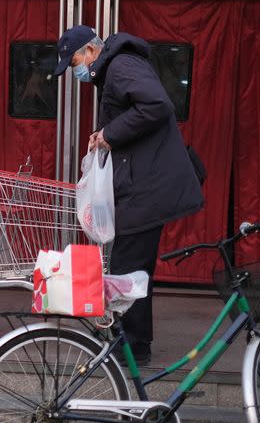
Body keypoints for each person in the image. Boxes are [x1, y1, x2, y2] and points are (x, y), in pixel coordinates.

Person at [54, 25, 204, 365]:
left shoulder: (121, 66)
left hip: (149, 186)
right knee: (133, 264)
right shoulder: (115, 68)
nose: (75, 72)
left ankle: (132, 346)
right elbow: (135, 114)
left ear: (91, 52)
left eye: (74, 62)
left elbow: (156, 105)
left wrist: (111, 133)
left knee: (127, 264)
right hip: (145, 182)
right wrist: (106, 134)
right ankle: (133, 342)